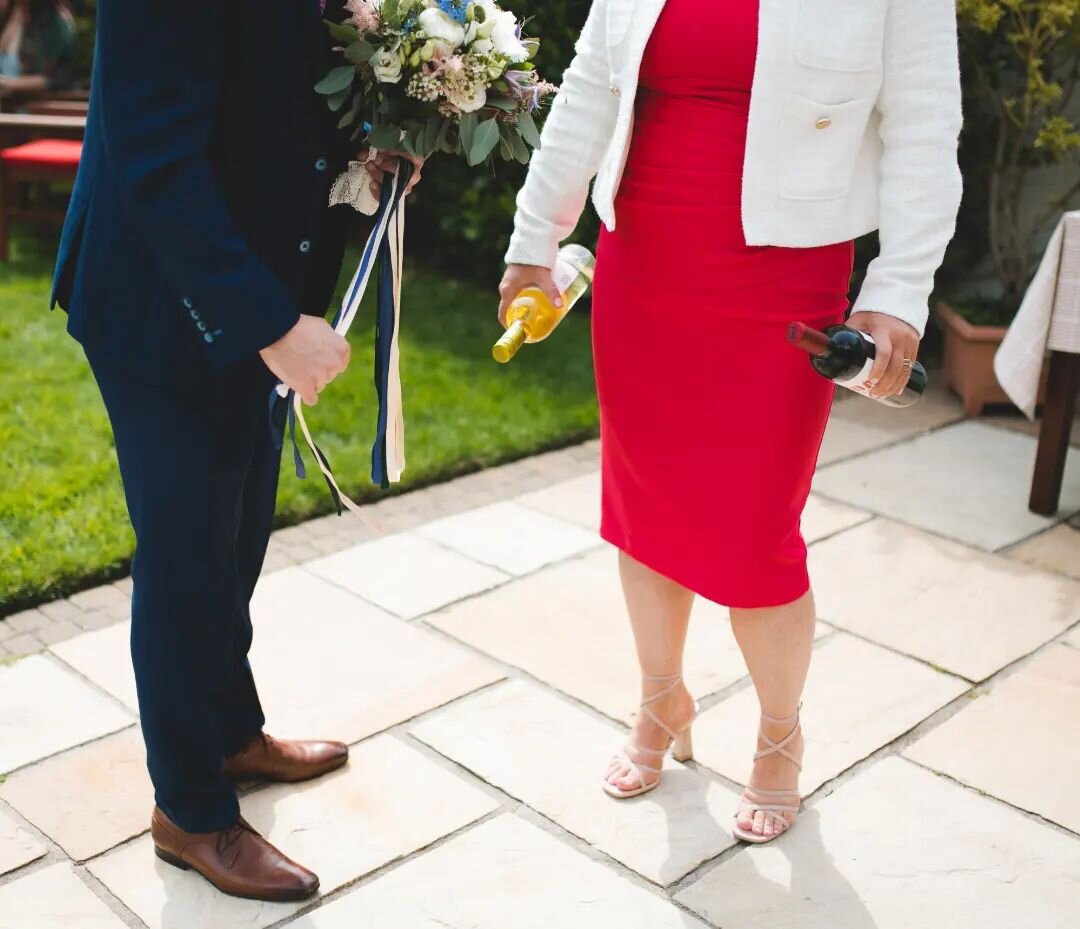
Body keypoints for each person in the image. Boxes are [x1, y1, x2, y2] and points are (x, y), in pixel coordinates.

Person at [500, 0, 961, 844]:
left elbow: (926, 129)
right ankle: (659, 696)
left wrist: (900, 290)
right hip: (643, 256)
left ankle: (780, 734)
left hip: (782, 281)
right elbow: (589, 93)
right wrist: (537, 237)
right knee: (644, 512)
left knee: (757, 532)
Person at [50, 0, 380, 902]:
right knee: (190, 558)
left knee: (238, 533)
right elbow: (154, 157)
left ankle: (229, 731)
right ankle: (191, 810)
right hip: (162, 303)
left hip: (258, 286)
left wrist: (372, 157)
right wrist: (269, 323)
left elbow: (279, 97)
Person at [0, 0, 76, 94]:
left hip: (51, 99)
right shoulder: (18, 22)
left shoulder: (56, 25)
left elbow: (55, 78)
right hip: (18, 97)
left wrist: (10, 83)